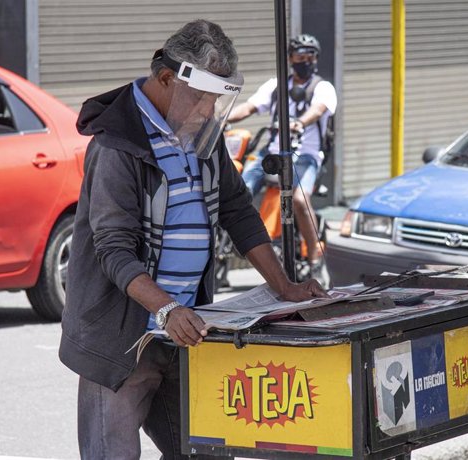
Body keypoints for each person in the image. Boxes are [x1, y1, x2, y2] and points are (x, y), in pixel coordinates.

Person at [59, 20, 328, 460]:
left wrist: (285, 287)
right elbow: (113, 248)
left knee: (208, 450)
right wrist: (165, 307)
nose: (209, 110)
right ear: (167, 79)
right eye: (203, 97)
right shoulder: (117, 145)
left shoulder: (202, 137)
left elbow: (238, 211)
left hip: (184, 334)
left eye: (217, 100)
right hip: (121, 342)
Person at [227, 33, 337, 281]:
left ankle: (316, 257)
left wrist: (299, 123)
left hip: (305, 156)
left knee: (299, 199)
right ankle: (234, 245)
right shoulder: (276, 85)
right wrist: (220, 118)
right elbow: (249, 107)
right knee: (238, 189)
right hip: (273, 152)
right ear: (289, 58)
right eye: (300, 56)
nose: (305, 61)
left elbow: (318, 110)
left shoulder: (323, 87)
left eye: (310, 56)